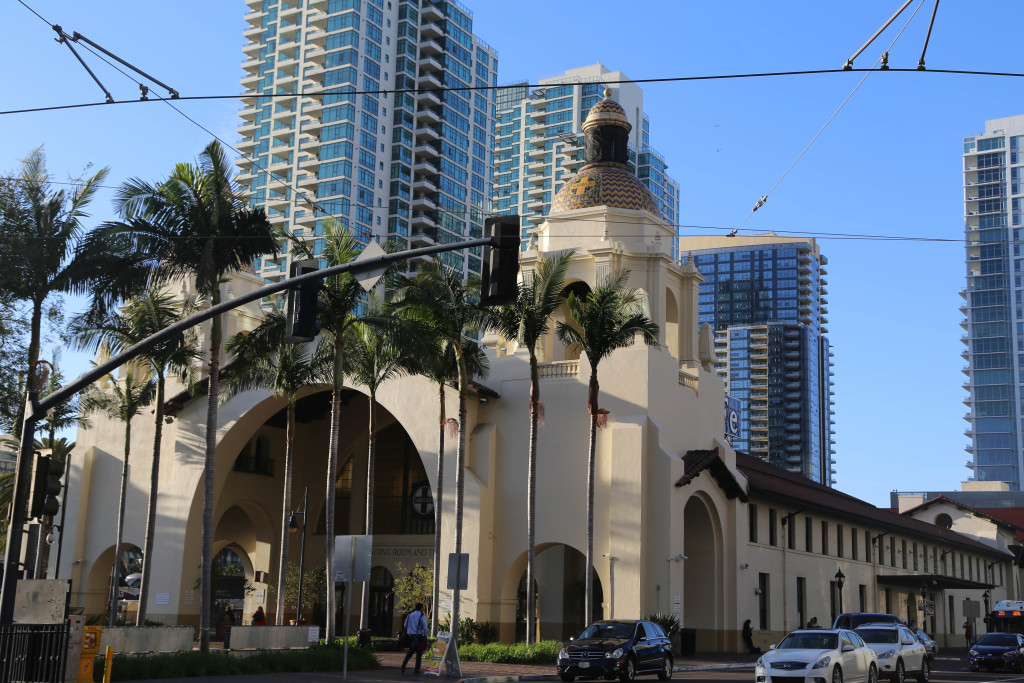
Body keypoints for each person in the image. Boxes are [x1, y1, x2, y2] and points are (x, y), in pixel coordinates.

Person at [402, 603, 428, 674]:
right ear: (421, 608)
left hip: (410, 636)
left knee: (410, 652)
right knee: (419, 653)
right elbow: (425, 627)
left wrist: (411, 629)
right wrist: (426, 636)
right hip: (418, 636)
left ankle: (404, 665)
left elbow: (405, 625)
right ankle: (417, 668)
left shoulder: (410, 615)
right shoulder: (421, 616)